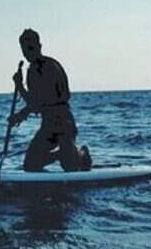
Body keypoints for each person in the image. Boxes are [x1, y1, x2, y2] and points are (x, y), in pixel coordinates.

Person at [9, 29, 92, 172]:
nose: (28, 53)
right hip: (48, 126)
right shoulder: (31, 70)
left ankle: (82, 154)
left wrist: (20, 112)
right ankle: (60, 154)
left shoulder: (50, 67)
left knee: (70, 167)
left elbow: (40, 103)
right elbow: (35, 102)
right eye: (24, 50)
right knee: (30, 165)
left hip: (64, 124)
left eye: (31, 48)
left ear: (39, 46)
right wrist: (20, 87)